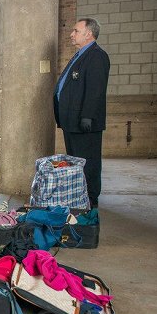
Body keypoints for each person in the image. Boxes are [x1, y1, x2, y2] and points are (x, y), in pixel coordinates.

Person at [53, 18, 110, 209]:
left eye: (76, 31)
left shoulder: (96, 56)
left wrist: (88, 116)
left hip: (84, 122)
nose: (71, 34)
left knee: (89, 163)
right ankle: (80, 196)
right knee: (76, 162)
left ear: (89, 33)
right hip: (71, 121)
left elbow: (96, 89)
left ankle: (91, 200)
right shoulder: (80, 55)